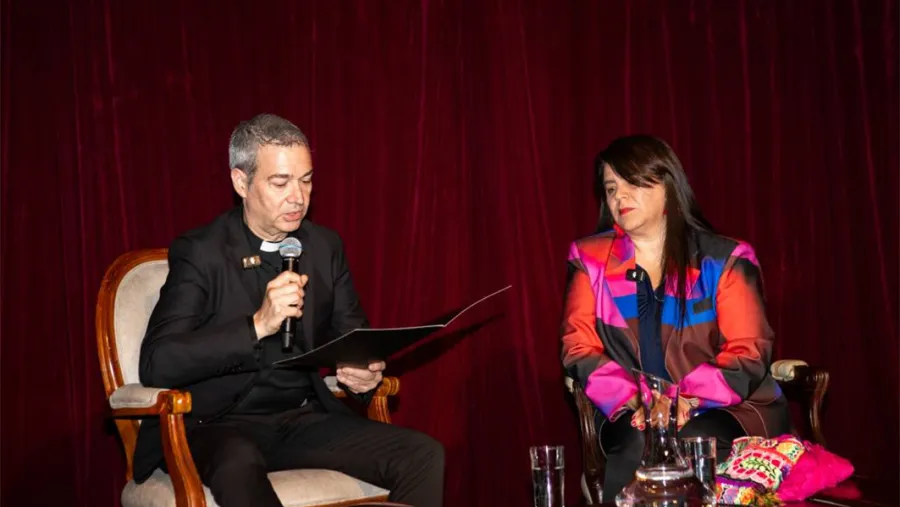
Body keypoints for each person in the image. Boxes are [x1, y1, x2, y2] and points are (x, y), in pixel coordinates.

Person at [134, 113, 444, 507]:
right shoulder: (202, 252)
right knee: (237, 462)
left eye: (307, 179)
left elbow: (353, 336)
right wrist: (258, 325)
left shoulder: (323, 247)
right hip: (215, 423)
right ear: (240, 182)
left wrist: (362, 375)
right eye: (280, 182)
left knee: (423, 455)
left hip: (298, 419)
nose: (298, 197)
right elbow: (159, 361)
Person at [560, 135, 790, 502]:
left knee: (689, 441)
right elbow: (578, 346)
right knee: (644, 440)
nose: (619, 197)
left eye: (632, 183)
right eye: (610, 188)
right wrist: (638, 400)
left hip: (728, 406)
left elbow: (749, 351)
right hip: (631, 408)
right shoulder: (589, 259)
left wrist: (684, 398)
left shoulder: (724, 258)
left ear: (667, 184)